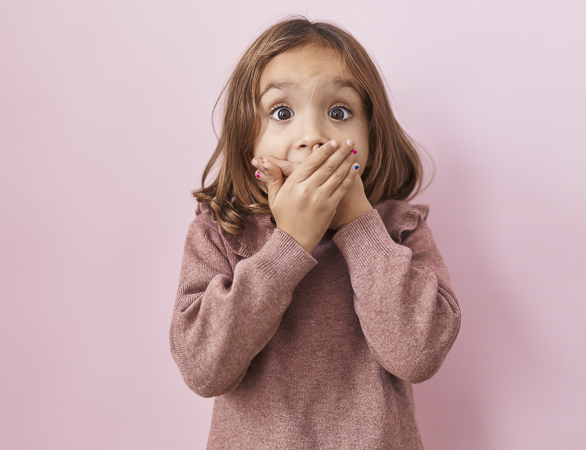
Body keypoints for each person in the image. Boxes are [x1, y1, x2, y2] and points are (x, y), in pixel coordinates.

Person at [170, 16, 461, 450]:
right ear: (246, 137)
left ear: (372, 135)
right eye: (282, 113)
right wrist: (289, 245)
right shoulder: (220, 232)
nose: (312, 136)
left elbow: (417, 354)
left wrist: (360, 226)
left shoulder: (400, 229)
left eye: (339, 112)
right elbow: (202, 368)